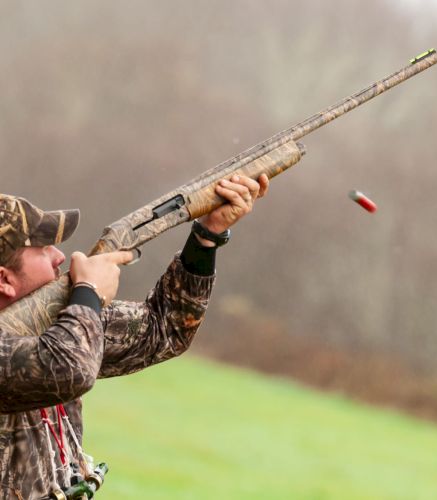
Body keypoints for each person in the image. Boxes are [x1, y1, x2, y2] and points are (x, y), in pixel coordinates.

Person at [0, 174, 269, 499]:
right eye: (42, 249)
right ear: (4, 279)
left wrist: (207, 235)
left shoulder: (54, 321)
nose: (61, 256)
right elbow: (68, 370)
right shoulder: (63, 330)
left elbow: (164, 329)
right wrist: (89, 294)